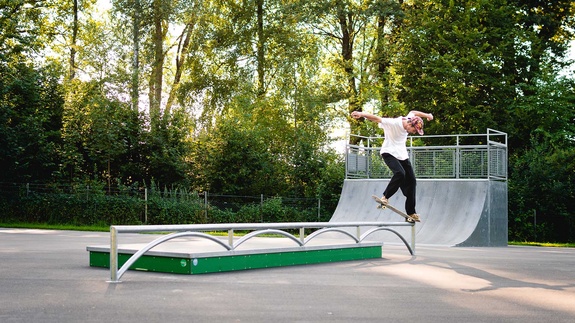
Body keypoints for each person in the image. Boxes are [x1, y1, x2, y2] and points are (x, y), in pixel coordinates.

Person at [350, 109, 434, 222]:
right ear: (410, 124)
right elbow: (376, 118)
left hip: (402, 155)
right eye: (414, 130)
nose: (414, 132)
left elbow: (414, 112)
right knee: (400, 173)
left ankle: (411, 212)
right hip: (388, 152)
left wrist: (428, 115)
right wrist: (361, 114)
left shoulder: (410, 117)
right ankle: (385, 197)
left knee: (412, 181)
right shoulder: (393, 123)